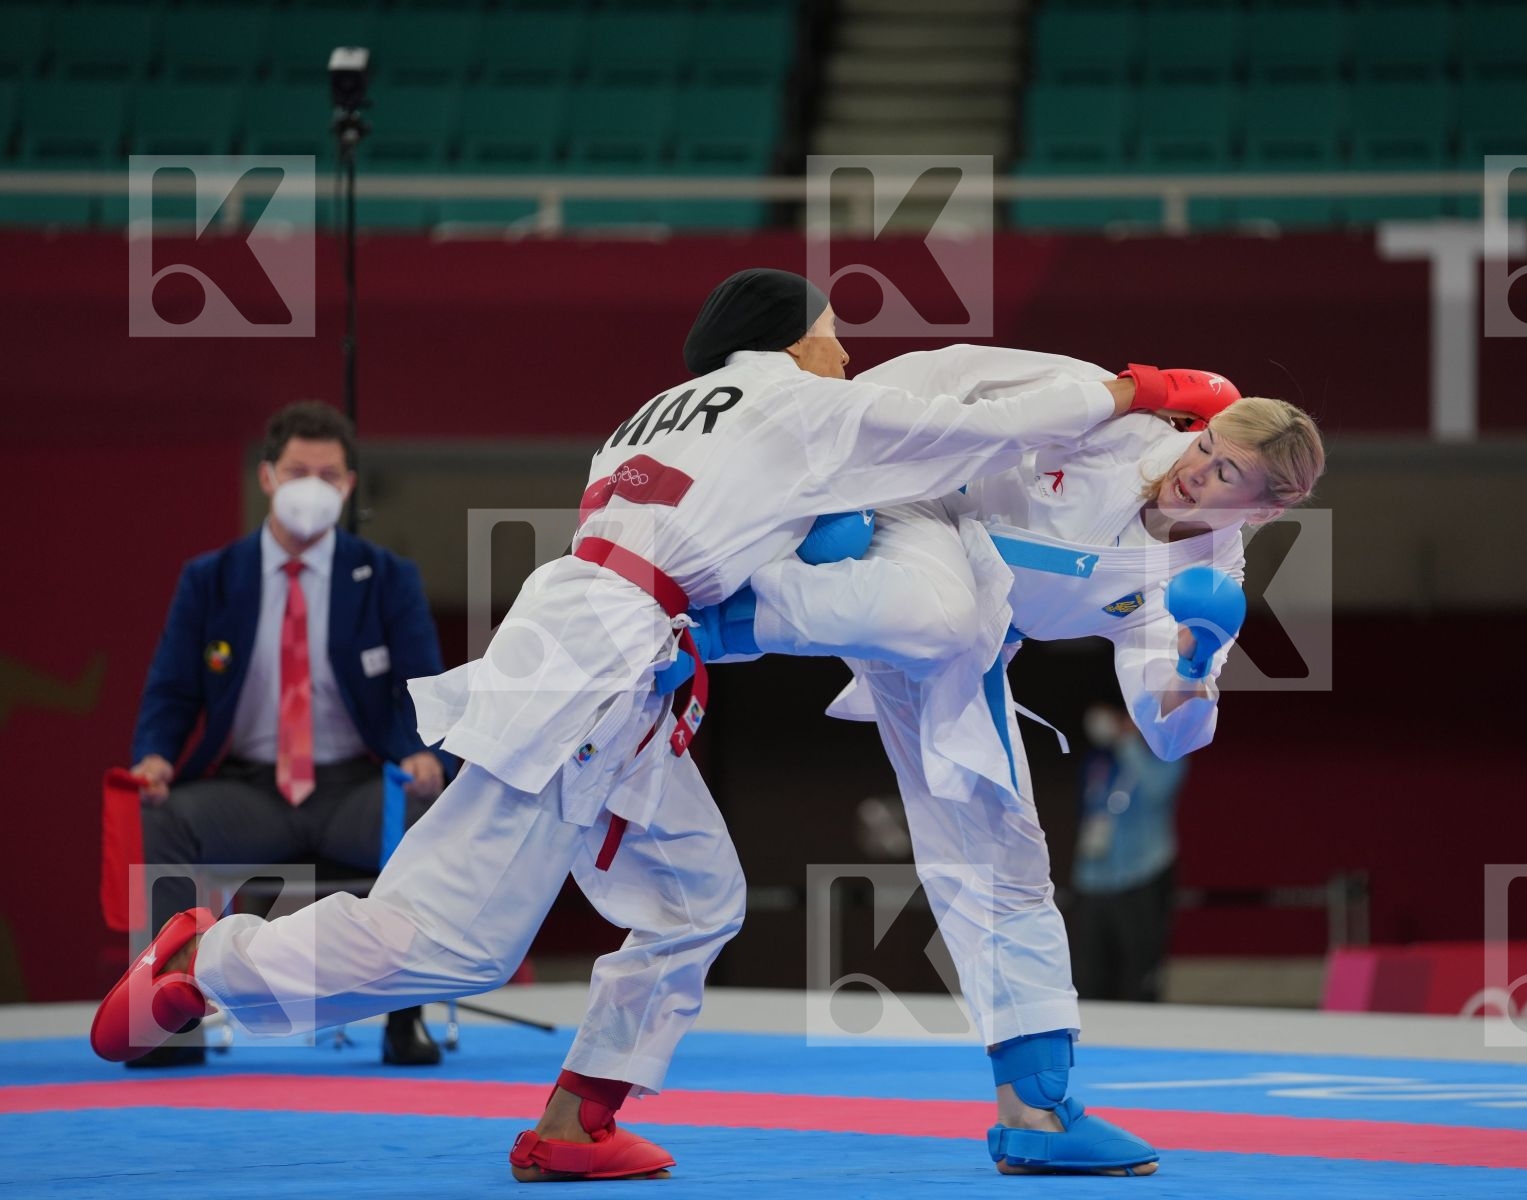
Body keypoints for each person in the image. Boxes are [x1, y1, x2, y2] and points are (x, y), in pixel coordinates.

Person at [92, 268, 1161, 1183]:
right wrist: (1127, 392)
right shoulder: (791, 401)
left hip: (615, 651)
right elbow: (968, 427)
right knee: (453, 944)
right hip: (601, 666)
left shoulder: (651, 413)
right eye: (833, 335)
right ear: (786, 341)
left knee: (696, 900)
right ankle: (214, 958)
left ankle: (575, 1123)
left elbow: (710, 518)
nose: (846, 354)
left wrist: (808, 534)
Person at [692, 345, 1323, 1174]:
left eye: (1226, 476)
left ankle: (1037, 1105)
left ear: (1266, 511)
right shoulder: (1125, 427)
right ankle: (697, 616)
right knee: (947, 647)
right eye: (1207, 447)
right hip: (917, 500)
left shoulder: (1202, 579)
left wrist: (1196, 663)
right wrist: (841, 429)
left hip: (969, 616)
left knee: (996, 849)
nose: (1196, 472)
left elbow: (1166, 731)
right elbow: (962, 371)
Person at [127, 401, 452, 1069]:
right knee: (163, 816)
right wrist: (155, 759)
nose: (313, 487)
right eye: (298, 471)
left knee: (425, 810)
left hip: (353, 789)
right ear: (269, 478)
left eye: (329, 475)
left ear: (350, 485)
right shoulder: (211, 579)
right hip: (251, 791)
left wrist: (426, 755)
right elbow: (172, 690)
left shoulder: (387, 577)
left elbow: (427, 691)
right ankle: (169, 1018)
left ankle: (403, 1019)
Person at [1070, 703, 1190, 1004]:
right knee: (1089, 974)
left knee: (1138, 972)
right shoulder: (1099, 760)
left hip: (1141, 877)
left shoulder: (1168, 754)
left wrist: (1129, 742)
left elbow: (1156, 791)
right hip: (1094, 881)